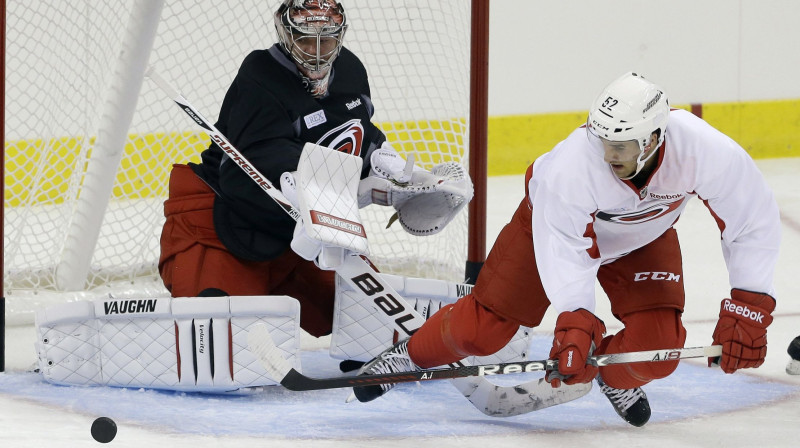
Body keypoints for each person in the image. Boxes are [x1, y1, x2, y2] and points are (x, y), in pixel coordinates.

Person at [351, 72, 781, 427]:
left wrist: (749, 303)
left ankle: (615, 376)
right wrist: (576, 320)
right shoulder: (572, 167)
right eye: (602, 142)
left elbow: (752, 220)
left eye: (621, 146)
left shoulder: (703, 150)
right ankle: (408, 356)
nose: (607, 154)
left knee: (660, 348)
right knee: (481, 332)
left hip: (642, 237)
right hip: (550, 229)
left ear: (652, 139)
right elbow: (563, 248)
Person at [158, 0, 470, 338]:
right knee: (222, 340)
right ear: (285, 33)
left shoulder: (350, 69)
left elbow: (354, 134)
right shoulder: (259, 77)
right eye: (306, 40)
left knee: (374, 328)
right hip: (222, 227)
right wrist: (315, 194)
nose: (316, 52)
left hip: (295, 231)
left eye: (327, 41)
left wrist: (392, 173)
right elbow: (249, 171)